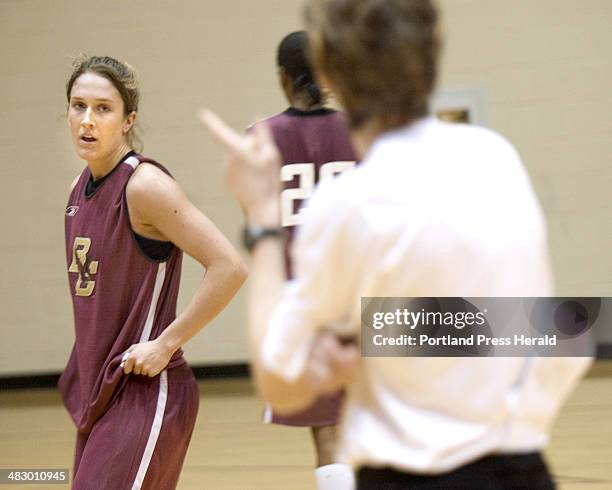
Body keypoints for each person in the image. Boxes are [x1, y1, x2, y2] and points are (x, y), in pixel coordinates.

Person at [202, 0, 592, 488]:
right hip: (523, 470)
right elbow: (566, 333)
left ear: (331, 73)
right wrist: (384, 332)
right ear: (432, 54)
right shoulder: (495, 158)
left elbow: (280, 380)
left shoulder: (347, 206)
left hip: (410, 475)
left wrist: (261, 218)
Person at [59, 55, 247, 490]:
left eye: (103, 108)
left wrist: (165, 344)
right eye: (78, 105)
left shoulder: (144, 186)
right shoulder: (76, 191)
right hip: (100, 393)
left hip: (146, 392)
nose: (88, 120)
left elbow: (230, 267)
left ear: (129, 120)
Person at [250, 31, 356, 490]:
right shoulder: (361, 129)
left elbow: (258, 225)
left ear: (282, 78)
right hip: (361, 293)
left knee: (327, 433)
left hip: (304, 299)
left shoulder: (261, 137)